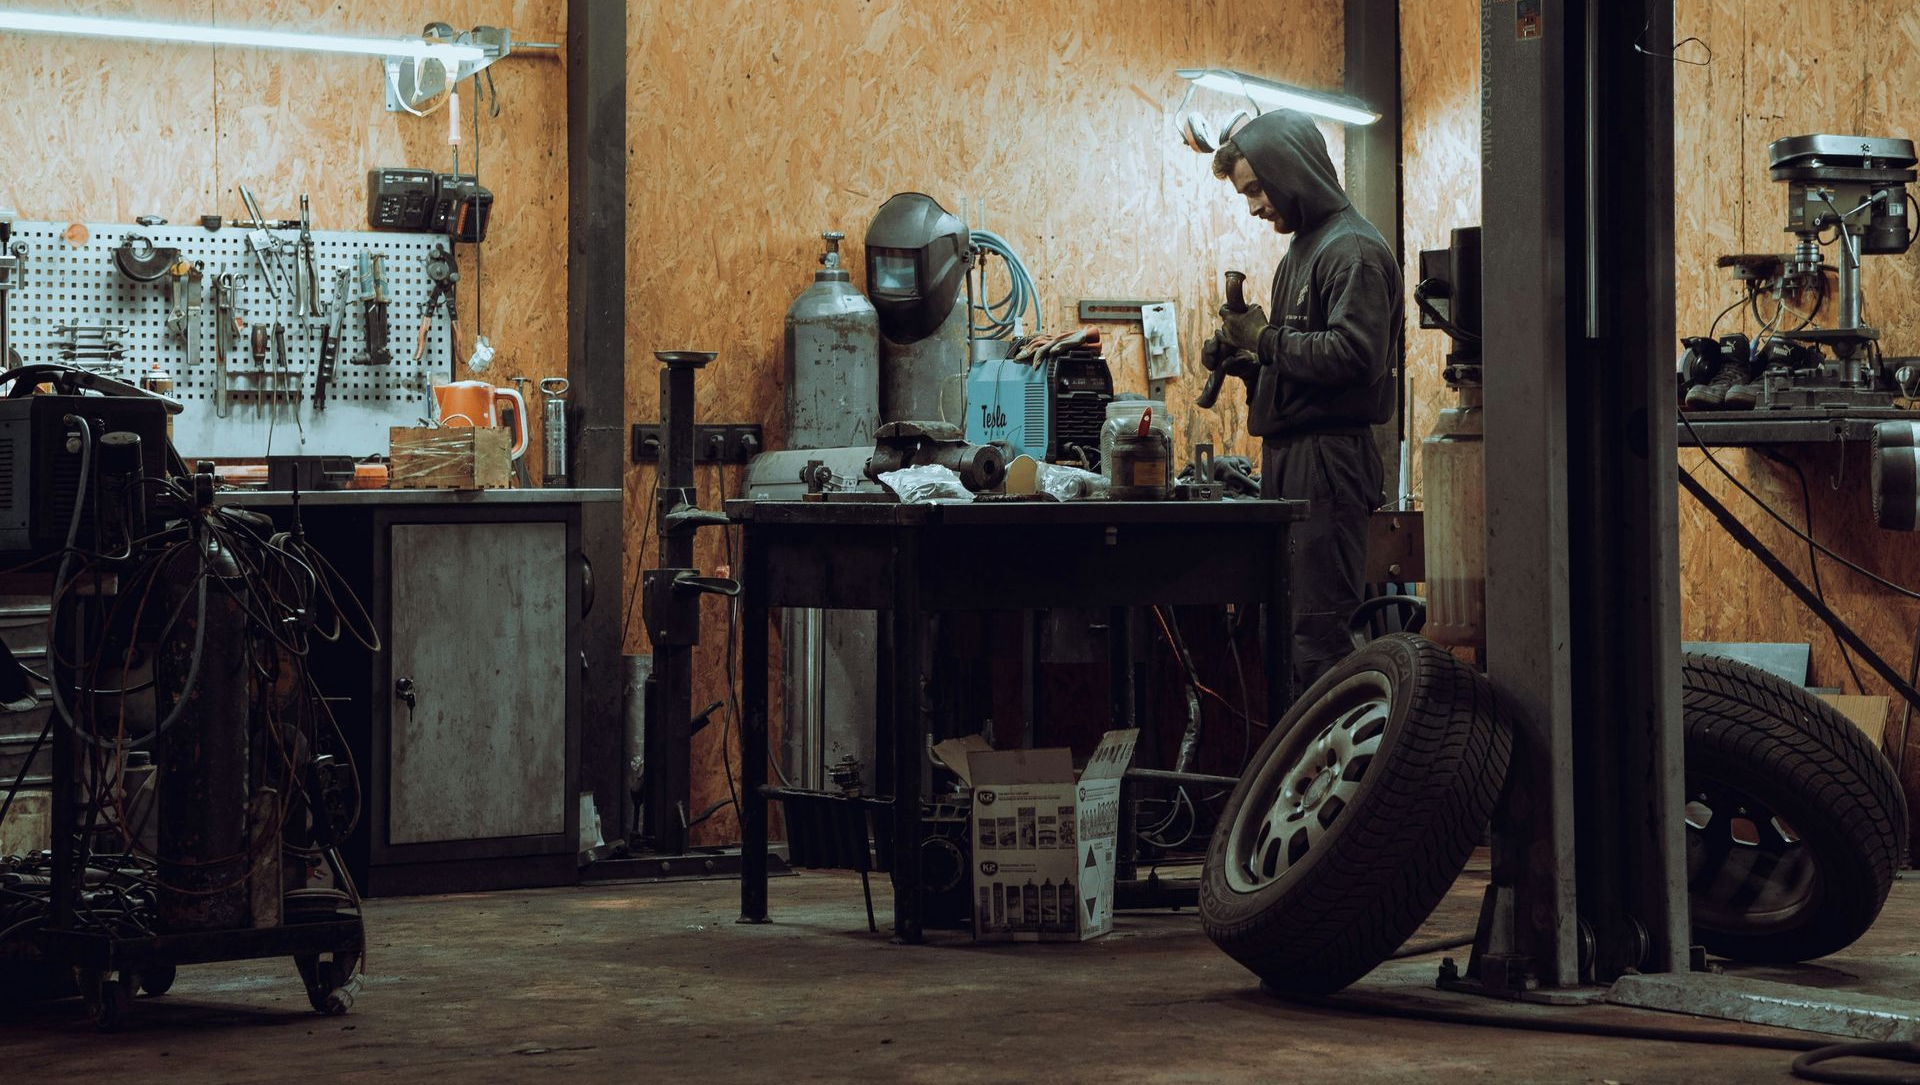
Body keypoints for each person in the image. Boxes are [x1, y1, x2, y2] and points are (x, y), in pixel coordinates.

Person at [1201, 110, 1402, 697]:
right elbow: (1305, 364)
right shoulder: (1302, 253)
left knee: (1317, 642)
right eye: (1246, 196)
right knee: (1285, 639)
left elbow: (1354, 356)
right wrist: (1250, 364)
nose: (1255, 208)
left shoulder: (1354, 251)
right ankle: (1294, 786)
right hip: (1294, 460)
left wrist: (1264, 342)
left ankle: (1349, 786)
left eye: (1257, 190)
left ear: (1290, 170)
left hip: (1328, 464)